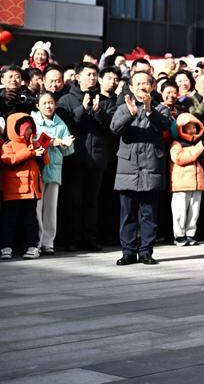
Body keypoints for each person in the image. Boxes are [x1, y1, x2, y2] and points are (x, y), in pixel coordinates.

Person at [110, 72, 172, 266]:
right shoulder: (123, 107)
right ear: (131, 86)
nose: (142, 86)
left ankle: (146, 251)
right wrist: (131, 114)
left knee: (148, 213)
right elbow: (115, 129)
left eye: (145, 83)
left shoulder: (161, 108)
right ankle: (128, 251)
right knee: (127, 212)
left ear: (152, 86)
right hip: (128, 167)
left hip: (151, 165)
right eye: (138, 83)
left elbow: (164, 126)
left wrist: (148, 109)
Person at [56, 62, 118, 252]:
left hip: (98, 158)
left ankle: (90, 239)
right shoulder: (66, 99)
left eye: (94, 75)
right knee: (74, 201)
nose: (92, 78)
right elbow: (63, 127)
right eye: (88, 75)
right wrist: (82, 110)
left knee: (92, 201)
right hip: (75, 158)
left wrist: (98, 112)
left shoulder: (104, 99)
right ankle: (72, 239)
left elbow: (112, 127)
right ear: (78, 77)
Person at [0, 113, 48, 260]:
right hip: (13, 191)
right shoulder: (8, 145)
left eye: (30, 128)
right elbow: (9, 160)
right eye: (25, 129)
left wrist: (42, 151)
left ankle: (32, 247)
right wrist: (30, 152)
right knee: (9, 220)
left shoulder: (34, 144)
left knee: (30, 221)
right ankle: (6, 247)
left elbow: (46, 161)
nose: (28, 132)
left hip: (31, 191)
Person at [31, 93, 75, 255]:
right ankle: (36, 241)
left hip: (55, 169)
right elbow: (30, 141)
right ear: (37, 106)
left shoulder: (60, 124)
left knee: (51, 207)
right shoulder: (33, 120)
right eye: (44, 103)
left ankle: (48, 242)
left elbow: (68, 150)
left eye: (51, 103)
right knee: (36, 207)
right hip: (38, 168)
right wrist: (51, 142)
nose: (48, 106)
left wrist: (66, 145)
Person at [169, 113, 204, 246]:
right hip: (181, 184)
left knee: (194, 211)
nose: (192, 130)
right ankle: (179, 235)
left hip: (197, 183)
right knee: (179, 210)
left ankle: (190, 234)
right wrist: (199, 148)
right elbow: (180, 159)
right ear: (181, 129)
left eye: (194, 127)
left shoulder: (199, 144)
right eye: (188, 127)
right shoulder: (177, 143)